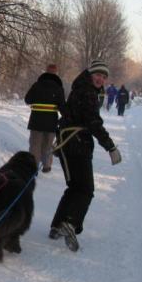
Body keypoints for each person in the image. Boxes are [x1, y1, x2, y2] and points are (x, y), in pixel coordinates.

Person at [49, 60, 122, 251]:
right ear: (91, 74)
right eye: (98, 75)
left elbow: (69, 112)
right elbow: (94, 123)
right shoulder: (87, 92)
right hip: (76, 144)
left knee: (74, 187)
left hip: (68, 142)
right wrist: (111, 147)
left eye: (104, 77)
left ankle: (57, 226)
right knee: (86, 190)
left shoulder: (80, 88)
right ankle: (70, 223)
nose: (100, 79)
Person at [24, 63, 66, 173]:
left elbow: (27, 100)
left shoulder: (37, 85)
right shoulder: (58, 88)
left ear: (45, 72)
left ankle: (33, 167)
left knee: (35, 145)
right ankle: (46, 166)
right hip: (51, 121)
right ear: (56, 73)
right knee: (47, 145)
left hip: (36, 120)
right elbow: (63, 107)